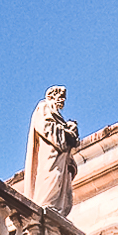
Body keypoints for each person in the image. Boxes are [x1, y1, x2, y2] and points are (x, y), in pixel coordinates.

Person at [24, 86, 80, 216]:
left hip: (60, 156)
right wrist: (67, 132)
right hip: (50, 155)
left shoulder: (57, 114)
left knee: (60, 181)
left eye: (63, 99)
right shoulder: (44, 107)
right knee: (52, 177)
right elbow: (45, 127)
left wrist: (71, 132)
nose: (62, 101)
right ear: (51, 97)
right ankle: (46, 209)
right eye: (60, 97)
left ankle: (55, 211)